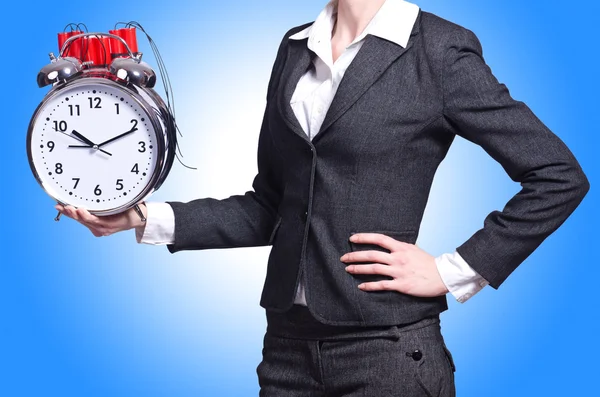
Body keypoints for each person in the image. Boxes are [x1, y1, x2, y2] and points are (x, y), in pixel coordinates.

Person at [56, 0, 590, 395]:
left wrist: (453, 271)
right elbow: (270, 207)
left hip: (387, 353)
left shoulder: (438, 50)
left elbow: (558, 175)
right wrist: (141, 218)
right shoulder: (294, 48)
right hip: (285, 352)